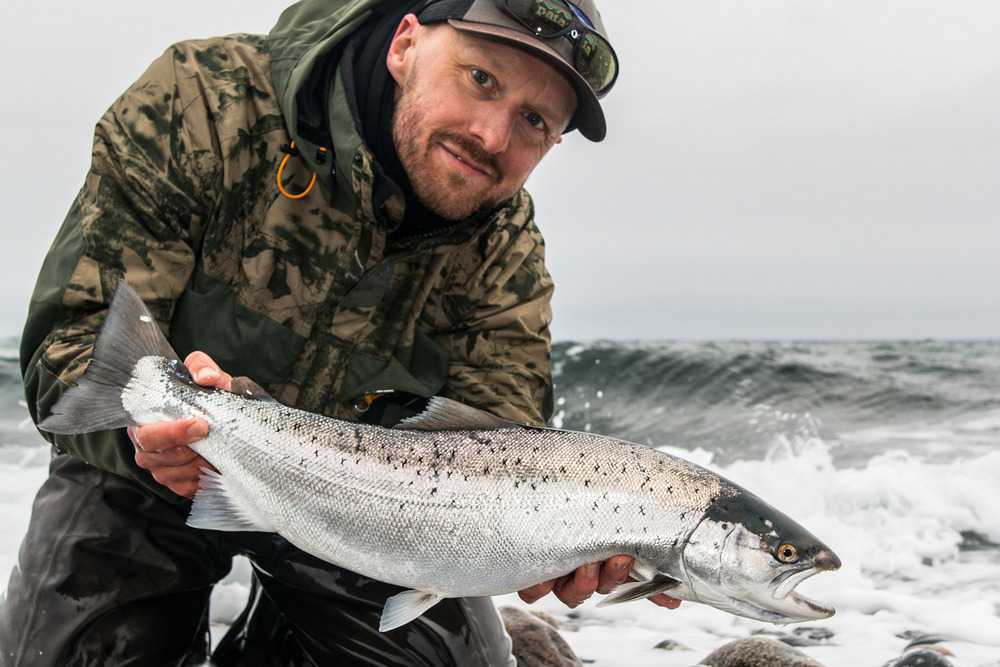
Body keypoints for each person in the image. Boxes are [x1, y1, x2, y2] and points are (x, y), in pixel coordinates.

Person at [1, 0, 678, 664]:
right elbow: (76, 340)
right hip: (145, 472)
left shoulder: (506, 251)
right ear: (405, 45)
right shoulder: (203, 99)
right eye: (480, 79)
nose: (492, 136)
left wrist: (545, 540)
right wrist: (141, 432)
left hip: (374, 511)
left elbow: (505, 431)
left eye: (533, 120)